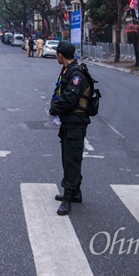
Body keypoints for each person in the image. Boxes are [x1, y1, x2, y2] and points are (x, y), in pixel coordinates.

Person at [48, 40, 91, 216]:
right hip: (69, 122)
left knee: (71, 159)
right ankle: (76, 192)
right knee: (70, 156)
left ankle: (68, 198)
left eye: (57, 54)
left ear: (60, 55)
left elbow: (68, 99)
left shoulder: (76, 74)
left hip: (76, 122)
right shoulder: (67, 70)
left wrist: (53, 110)